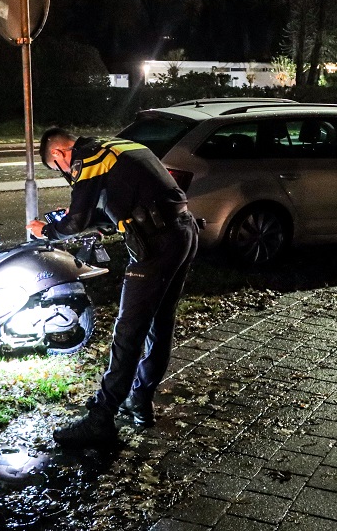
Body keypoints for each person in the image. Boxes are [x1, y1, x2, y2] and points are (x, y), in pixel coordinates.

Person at [27, 127, 198, 449]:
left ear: (59, 155)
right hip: (182, 232)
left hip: (156, 243)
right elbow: (122, 200)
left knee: (129, 331)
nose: (67, 174)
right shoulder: (118, 146)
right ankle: (141, 401)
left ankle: (101, 418)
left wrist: (46, 229)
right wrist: (98, 223)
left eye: (59, 169)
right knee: (160, 324)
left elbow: (75, 221)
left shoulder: (87, 157)